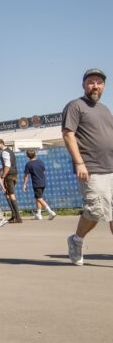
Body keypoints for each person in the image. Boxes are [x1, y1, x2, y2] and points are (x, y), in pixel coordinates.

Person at [63, 69, 113, 265]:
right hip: (91, 168)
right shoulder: (75, 106)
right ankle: (77, 240)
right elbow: (68, 134)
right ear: (84, 85)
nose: (95, 86)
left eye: (99, 82)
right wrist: (79, 162)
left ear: (104, 86)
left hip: (111, 168)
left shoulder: (105, 109)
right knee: (96, 211)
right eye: (91, 82)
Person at [22, 149, 55, 220]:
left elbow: (26, 175)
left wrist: (24, 184)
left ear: (27, 156)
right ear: (35, 154)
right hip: (43, 182)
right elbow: (43, 171)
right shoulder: (40, 162)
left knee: (39, 198)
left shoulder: (28, 164)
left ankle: (50, 212)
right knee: (37, 198)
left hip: (36, 183)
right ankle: (39, 214)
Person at [0, 139, 22, 223]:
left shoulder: (4, 152)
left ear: (2, 144)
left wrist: (3, 176)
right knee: (8, 194)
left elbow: (7, 165)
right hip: (13, 174)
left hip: (9, 175)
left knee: (11, 195)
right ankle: (14, 215)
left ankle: (18, 217)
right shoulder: (10, 151)